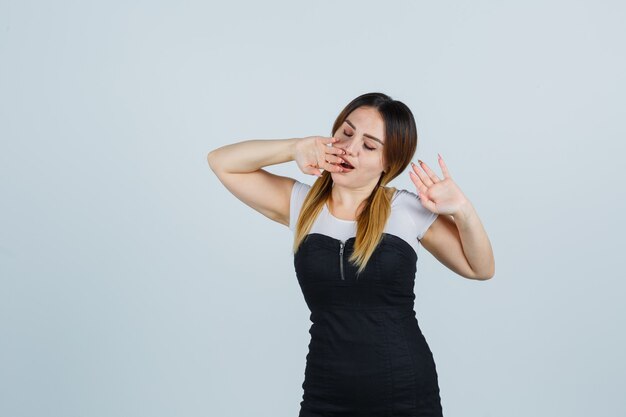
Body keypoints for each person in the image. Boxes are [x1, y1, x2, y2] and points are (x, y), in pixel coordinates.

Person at [207, 92, 495, 416]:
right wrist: (293, 148)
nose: (350, 148)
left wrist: (463, 211)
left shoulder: (407, 209)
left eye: (370, 146)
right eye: (346, 132)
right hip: (325, 395)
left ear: (390, 163)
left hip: (405, 393)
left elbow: (480, 268)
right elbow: (222, 162)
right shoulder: (301, 204)